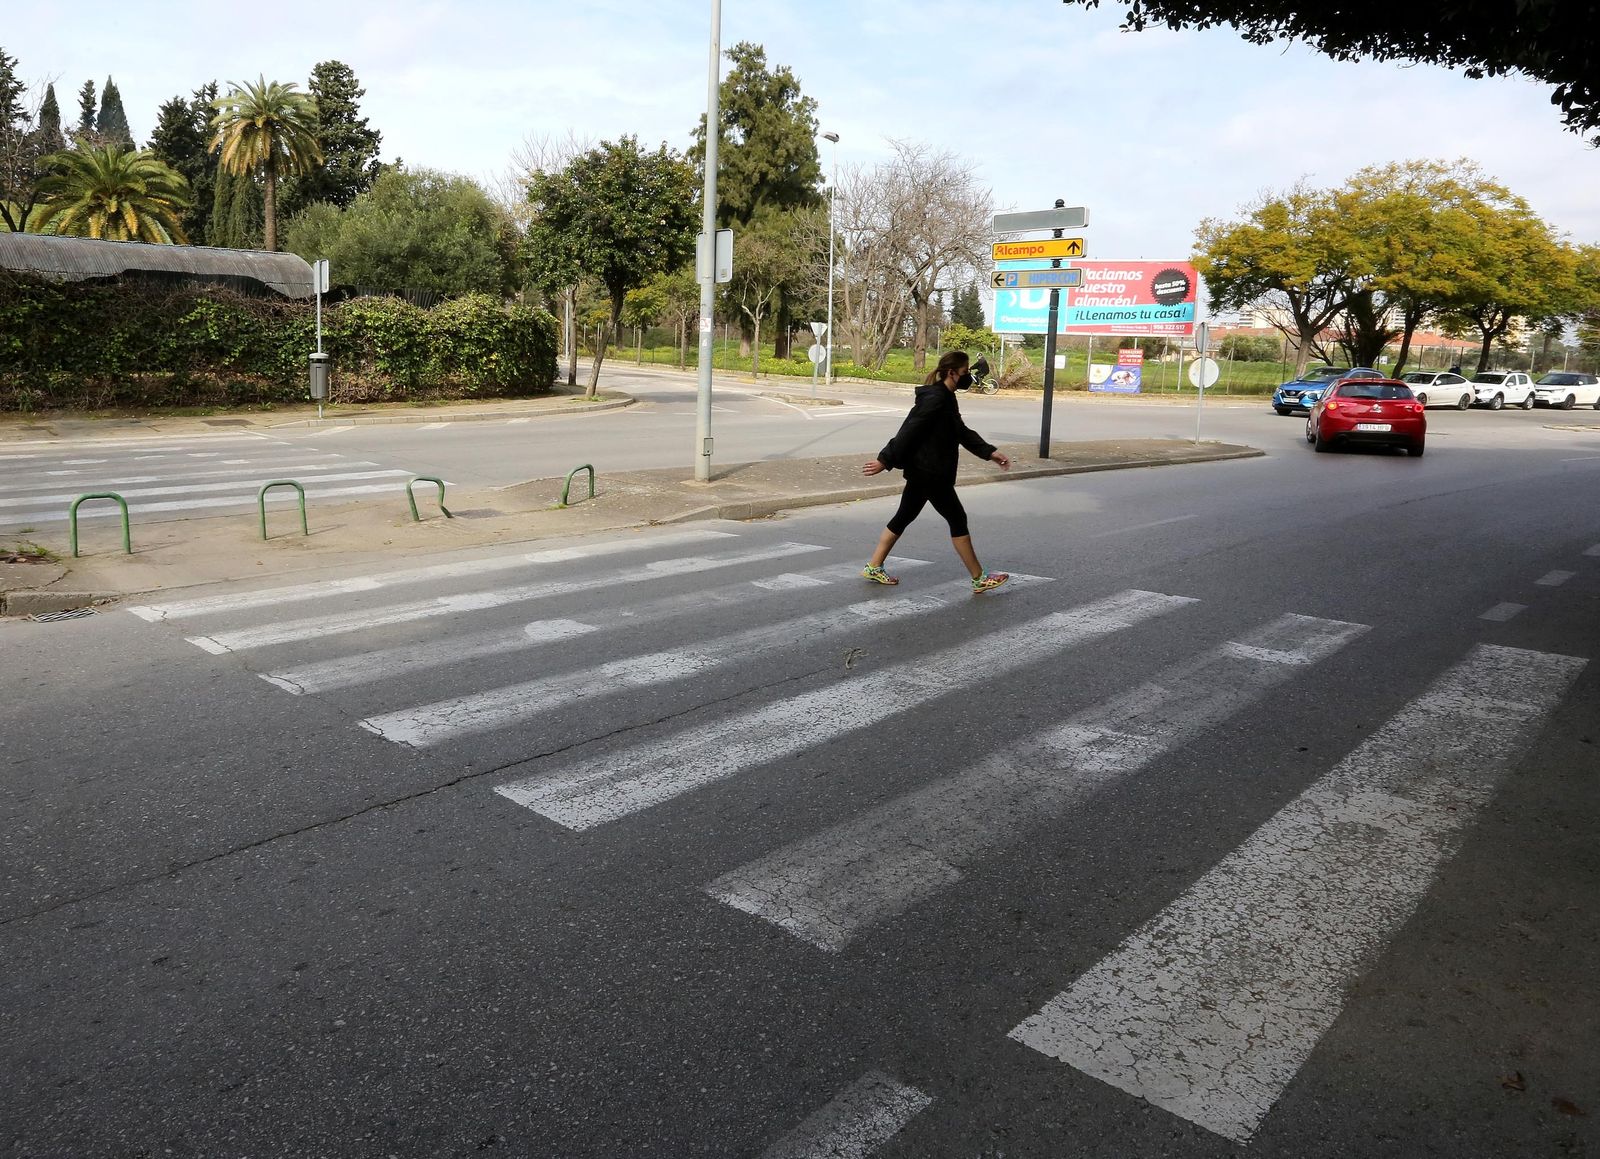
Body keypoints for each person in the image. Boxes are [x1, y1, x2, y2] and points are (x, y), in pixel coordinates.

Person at [860, 350, 1012, 593]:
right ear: (951, 373)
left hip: (925, 471)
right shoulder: (936, 399)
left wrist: (989, 452)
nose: (967, 377)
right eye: (964, 373)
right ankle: (978, 578)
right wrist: (884, 460)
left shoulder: (946, 398)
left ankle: (874, 566)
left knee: (904, 516)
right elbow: (909, 430)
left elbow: (961, 432)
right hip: (931, 472)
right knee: (957, 519)